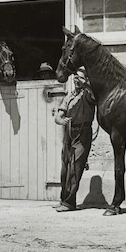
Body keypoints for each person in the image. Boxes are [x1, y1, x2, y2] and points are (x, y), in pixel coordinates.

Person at [53, 66, 96, 212]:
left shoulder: (88, 94)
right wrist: (61, 120)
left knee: (75, 167)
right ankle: (63, 199)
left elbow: (93, 96)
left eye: (80, 77)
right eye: (75, 77)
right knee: (65, 167)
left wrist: (87, 83)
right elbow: (58, 116)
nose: (77, 80)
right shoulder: (70, 96)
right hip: (69, 133)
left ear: (86, 80)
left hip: (82, 133)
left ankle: (70, 203)